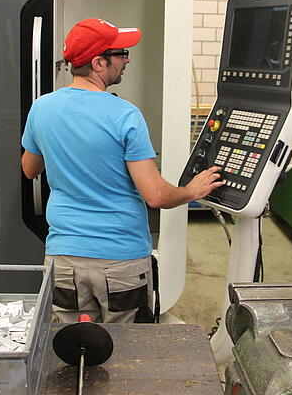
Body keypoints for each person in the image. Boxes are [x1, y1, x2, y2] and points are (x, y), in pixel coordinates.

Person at [21, 18, 222, 323]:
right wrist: (191, 192)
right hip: (120, 261)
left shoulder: (42, 108)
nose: (127, 60)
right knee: (125, 353)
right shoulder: (125, 115)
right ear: (99, 63)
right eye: (121, 53)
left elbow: (29, 168)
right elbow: (155, 195)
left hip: (63, 258)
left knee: (69, 347)